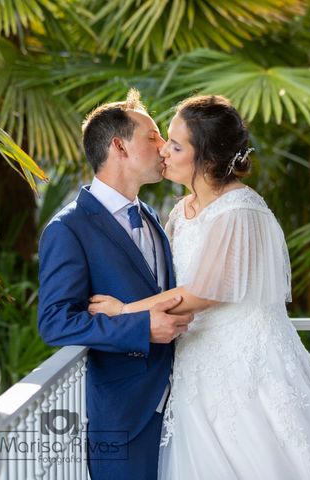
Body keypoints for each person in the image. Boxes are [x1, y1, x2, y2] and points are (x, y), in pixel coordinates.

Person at [88, 94, 310, 479]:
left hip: (245, 367)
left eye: (175, 145)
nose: (164, 152)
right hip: (197, 365)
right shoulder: (180, 211)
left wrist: (124, 311)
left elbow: (201, 293)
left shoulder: (239, 210)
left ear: (206, 158)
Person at [37, 89, 194, 480]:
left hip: (184, 404)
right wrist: (140, 327)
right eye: (153, 137)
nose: (163, 147)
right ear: (119, 146)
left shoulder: (153, 217)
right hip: (124, 415)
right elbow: (55, 322)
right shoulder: (68, 228)